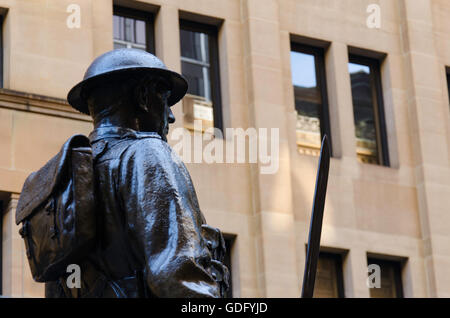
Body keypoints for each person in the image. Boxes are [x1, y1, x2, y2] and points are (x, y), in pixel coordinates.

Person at [45, 48, 228, 298]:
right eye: (165, 100)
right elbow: (177, 276)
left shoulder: (67, 174)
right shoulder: (147, 151)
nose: (171, 116)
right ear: (143, 97)